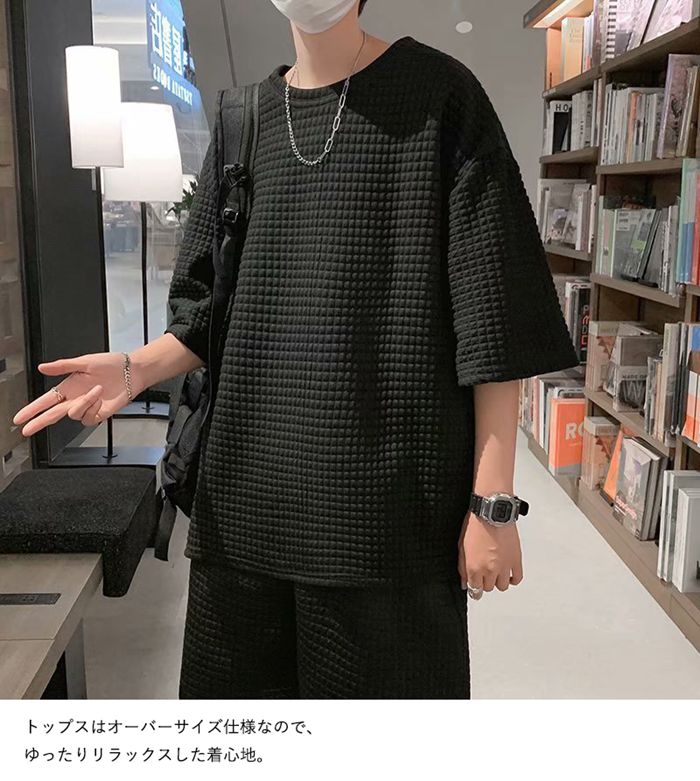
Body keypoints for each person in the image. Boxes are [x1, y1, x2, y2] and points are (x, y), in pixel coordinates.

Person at [13, 0, 579, 698]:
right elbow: (207, 313)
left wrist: (492, 505)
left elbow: (493, 318)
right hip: (242, 519)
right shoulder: (242, 120)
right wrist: (134, 369)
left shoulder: (440, 99)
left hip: (386, 526)